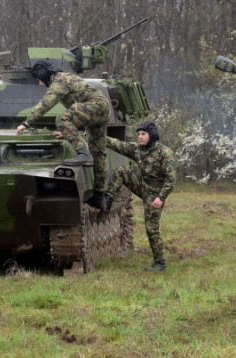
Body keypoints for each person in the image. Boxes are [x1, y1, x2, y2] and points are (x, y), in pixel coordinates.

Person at [16, 60, 111, 208]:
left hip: (94, 106)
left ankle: (83, 155)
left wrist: (27, 122)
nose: (40, 84)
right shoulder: (67, 78)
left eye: (39, 80)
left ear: (45, 76)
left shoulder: (60, 81)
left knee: (61, 119)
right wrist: (68, 132)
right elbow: (80, 110)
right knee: (98, 153)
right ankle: (100, 195)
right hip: (101, 108)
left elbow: (46, 103)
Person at [98, 121, 177, 272]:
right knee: (121, 171)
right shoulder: (137, 149)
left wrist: (160, 198)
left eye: (143, 134)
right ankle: (107, 201)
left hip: (155, 193)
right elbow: (116, 144)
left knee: (151, 228)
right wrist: (92, 135)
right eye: (139, 134)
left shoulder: (164, 153)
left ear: (151, 135)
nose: (140, 137)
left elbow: (171, 180)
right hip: (142, 185)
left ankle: (160, 263)